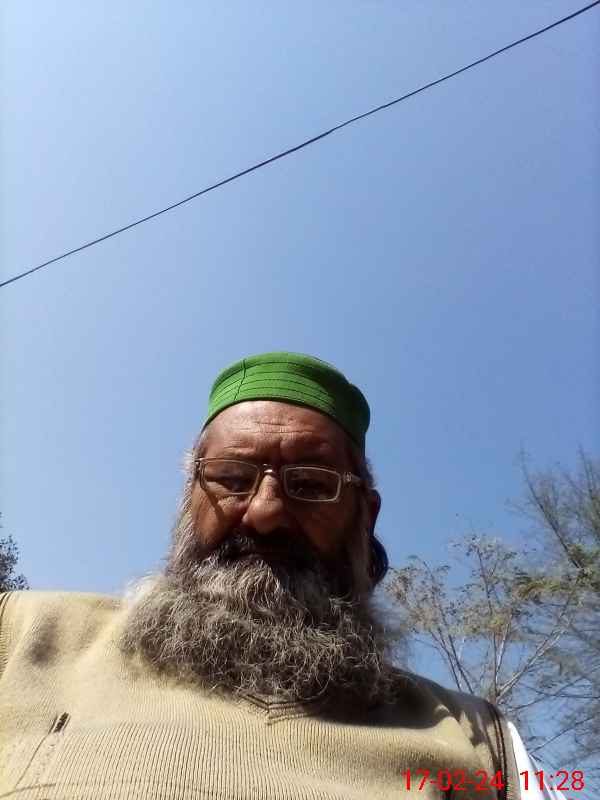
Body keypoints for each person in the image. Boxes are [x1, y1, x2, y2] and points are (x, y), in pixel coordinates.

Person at [1, 351, 532, 799]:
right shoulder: (21, 633)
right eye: (231, 478)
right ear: (190, 497)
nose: (265, 513)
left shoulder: (482, 744)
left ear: (365, 517)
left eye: (311, 483)